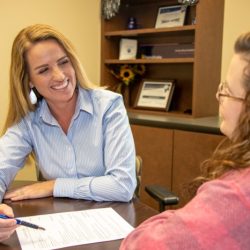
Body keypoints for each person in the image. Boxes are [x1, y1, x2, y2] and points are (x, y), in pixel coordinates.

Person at [0, 24, 136, 241]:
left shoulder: (109, 106)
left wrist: (54, 186)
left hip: (113, 229)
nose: (59, 76)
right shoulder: (29, 122)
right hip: (58, 230)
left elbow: (122, 186)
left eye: (63, 62)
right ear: (29, 81)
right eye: (43, 70)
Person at [120, 32, 250, 249]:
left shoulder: (235, 195)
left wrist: (172, 219)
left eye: (226, 90)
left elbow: (140, 245)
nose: (219, 97)